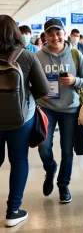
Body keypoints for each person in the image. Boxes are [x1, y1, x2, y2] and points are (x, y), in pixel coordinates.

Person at [0, 15, 50, 227]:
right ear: (17, 33)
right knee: (19, 160)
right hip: (21, 119)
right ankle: (13, 211)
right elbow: (44, 90)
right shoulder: (27, 56)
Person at [35, 18, 83, 204]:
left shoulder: (75, 54)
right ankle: (50, 169)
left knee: (67, 150)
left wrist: (75, 81)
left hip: (70, 109)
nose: (55, 37)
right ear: (45, 36)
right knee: (43, 146)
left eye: (58, 33)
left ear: (64, 34)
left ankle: (63, 184)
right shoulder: (38, 57)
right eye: (50, 34)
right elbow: (29, 82)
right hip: (46, 108)